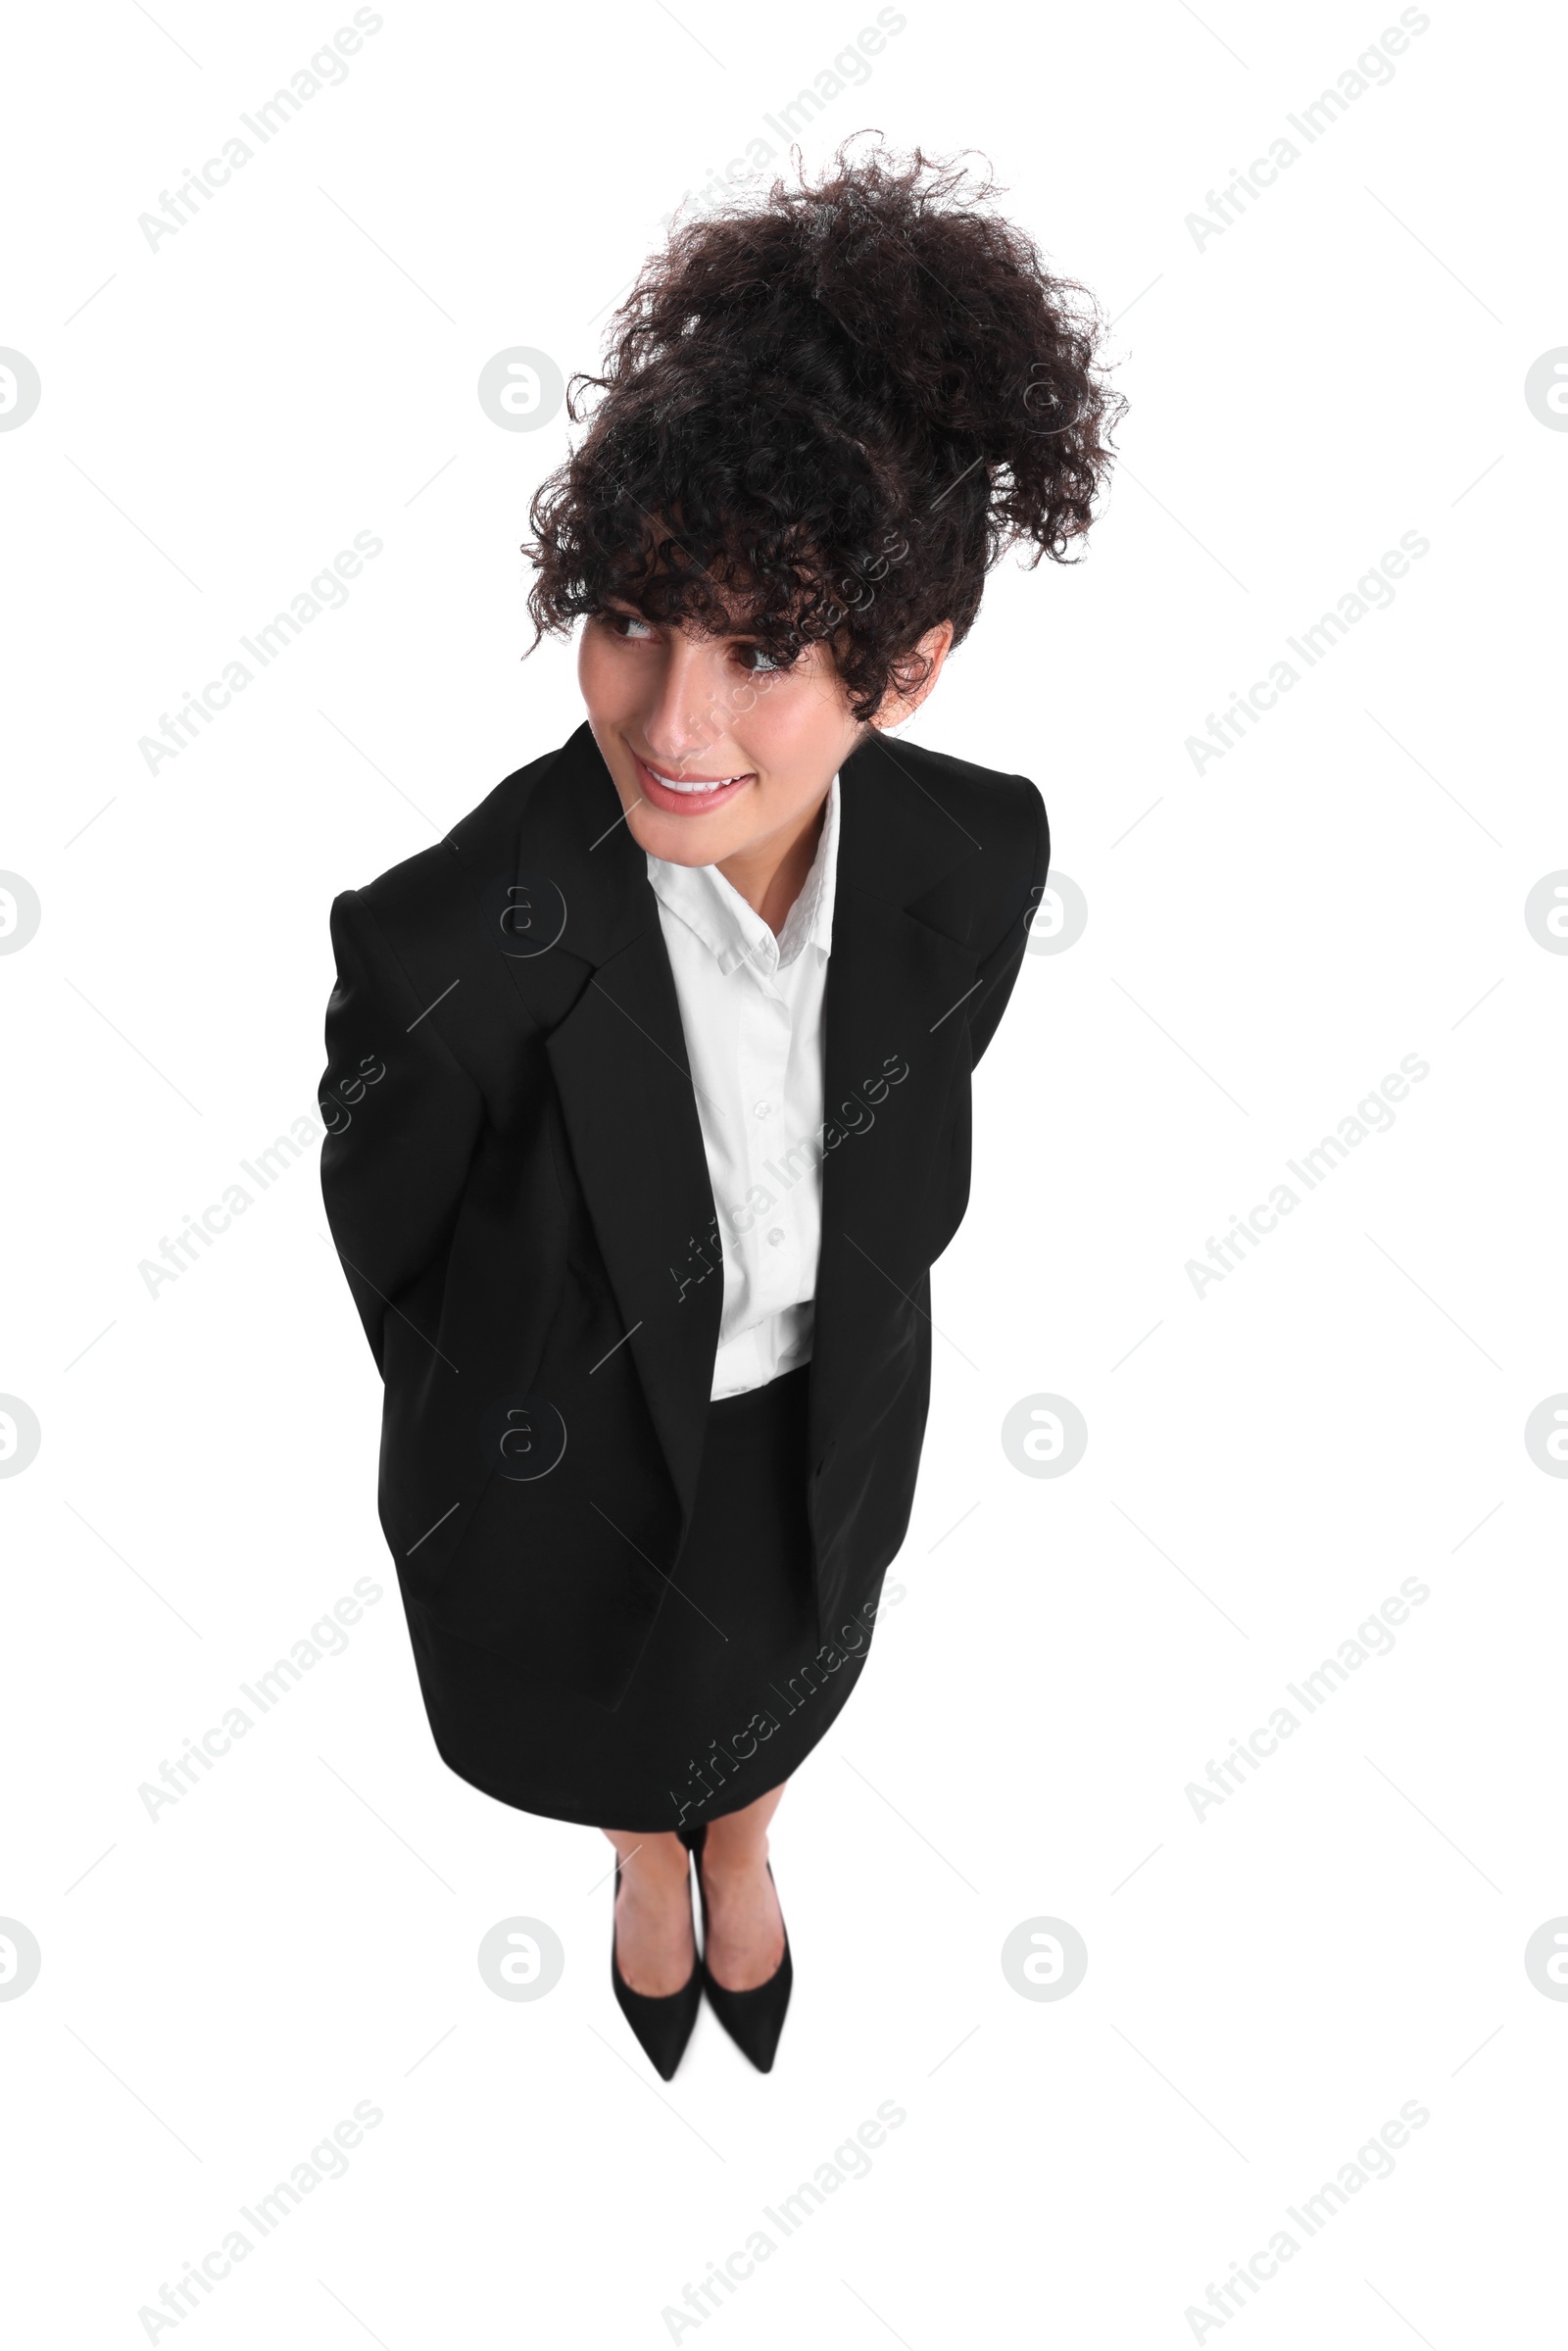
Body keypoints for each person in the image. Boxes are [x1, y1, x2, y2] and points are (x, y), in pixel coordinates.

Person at [318, 140, 1119, 2080]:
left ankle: (741, 1842)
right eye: (630, 617)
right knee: (608, 1694)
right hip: (558, 1453)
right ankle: (639, 1869)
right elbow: (394, 1237)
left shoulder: (976, 856)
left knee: (779, 1676)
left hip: (815, 1434)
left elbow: (911, 1146)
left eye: (759, 652)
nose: (668, 727)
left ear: (906, 668)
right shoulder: (452, 937)